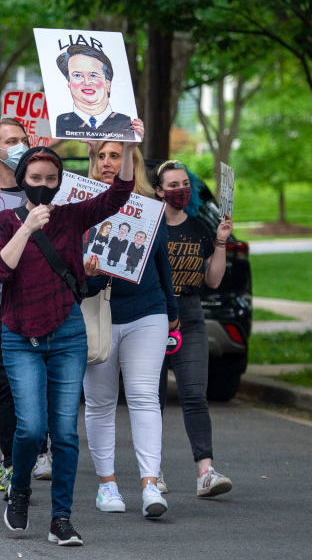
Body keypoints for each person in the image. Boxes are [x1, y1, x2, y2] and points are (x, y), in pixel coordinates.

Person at [0, 144, 134, 546]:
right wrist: (27, 227)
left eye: (52, 180)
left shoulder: (71, 217)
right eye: (36, 179)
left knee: (65, 434)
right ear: (22, 180)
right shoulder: (5, 220)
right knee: (31, 428)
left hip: (67, 332)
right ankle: (19, 492)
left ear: (60, 182)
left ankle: (61, 518)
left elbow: (119, 194)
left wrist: (131, 146)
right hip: (20, 335)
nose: (44, 186)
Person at [81, 135, 177, 520]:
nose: (108, 161)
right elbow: (70, 273)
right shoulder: (78, 206)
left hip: (146, 312)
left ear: (130, 161)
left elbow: (162, 266)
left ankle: (150, 484)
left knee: (143, 397)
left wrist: (171, 311)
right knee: (100, 402)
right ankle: (107, 485)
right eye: (101, 155)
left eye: (116, 155)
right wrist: (88, 277)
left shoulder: (151, 209)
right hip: (98, 315)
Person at [0, 118, 55, 497]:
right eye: (10, 141)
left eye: (23, 139)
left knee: (43, 378)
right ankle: (10, 463)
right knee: (7, 381)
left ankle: (41, 447)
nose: (19, 145)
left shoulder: (40, 189)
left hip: (40, 299)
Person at [156, 159, 234, 498]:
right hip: (152, 316)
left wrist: (220, 242)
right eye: (172, 186)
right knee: (150, 399)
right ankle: (152, 473)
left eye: (183, 184)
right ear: (158, 191)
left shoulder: (200, 229)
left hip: (189, 315)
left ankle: (205, 472)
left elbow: (213, 280)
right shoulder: (150, 225)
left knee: (194, 395)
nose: (179, 191)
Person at [55, 44, 134, 140]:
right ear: (69, 84)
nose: (87, 82)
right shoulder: (60, 124)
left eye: (93, 75)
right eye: (77, 75)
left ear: (108, 84)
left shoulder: (125, 123)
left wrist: (134, 142)